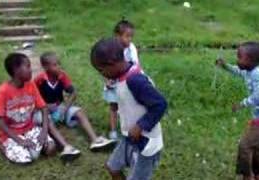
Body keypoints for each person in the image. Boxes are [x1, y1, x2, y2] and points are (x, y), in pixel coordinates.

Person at [91, 38, 167, 180]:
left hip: (146, 142)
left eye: (101, 70)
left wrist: (140, 126)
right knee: (112, 167)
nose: (101, 74)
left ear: (112, 63)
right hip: (129, 138)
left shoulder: (135, 80)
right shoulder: (121, 75)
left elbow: (160, 104)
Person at [216, 42, 259, 180]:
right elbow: (239, 71)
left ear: (251, 61)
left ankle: (247, 176)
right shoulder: (250, 70)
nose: (237, 59)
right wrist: (225, 66)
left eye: (240, 57)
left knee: (244, 146)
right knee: (257, 146)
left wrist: (241, 104)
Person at [34, 52, 115, 151]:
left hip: (59, 108)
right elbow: (33, 98)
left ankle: (95, 140)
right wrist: (45, 106)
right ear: (45, 67)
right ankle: (66, 147)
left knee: (79, 112)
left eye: (59, 63)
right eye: (55, 65)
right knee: (47, 121)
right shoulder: (39, 80)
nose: (59, 67)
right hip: (45, 110)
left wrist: (64, 109)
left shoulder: (62, 76)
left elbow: (73, 93)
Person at [0, 53, 56, 164]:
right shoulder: (4, 91)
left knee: (51, 148)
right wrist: (19, 140)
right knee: (26, 159)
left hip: (29, 128)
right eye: (28, 66)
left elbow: (44, 108)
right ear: (16, 70)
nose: (31, 70)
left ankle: (31, 148)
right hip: (11, 134)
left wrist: (44, 131)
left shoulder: (31, 85)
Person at [105, 19, 140, 140]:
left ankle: (128, 129)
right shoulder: (111, 49)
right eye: (127, 36)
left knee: (127, 106)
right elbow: (106, 66)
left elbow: (136, 64)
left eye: (131, 36)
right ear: (117, 36)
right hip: (114, 83)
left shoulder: (132, 48)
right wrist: (107, 79)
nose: (129, 39)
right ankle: (113, 131)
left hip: (127, 83)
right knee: (113, 106)